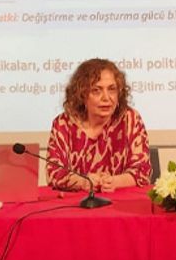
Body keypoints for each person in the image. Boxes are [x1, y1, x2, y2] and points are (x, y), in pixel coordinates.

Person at [46, 59, 151, 192]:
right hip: (77, 203)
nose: (106, 98)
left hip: (119, 200)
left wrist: (115, 182)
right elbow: (54, 173)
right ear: (82, 95)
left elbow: (142, 172)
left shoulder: (130, 119)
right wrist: (83, 182)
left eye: (112, 89)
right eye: (96, 90)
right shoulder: (64, 123)